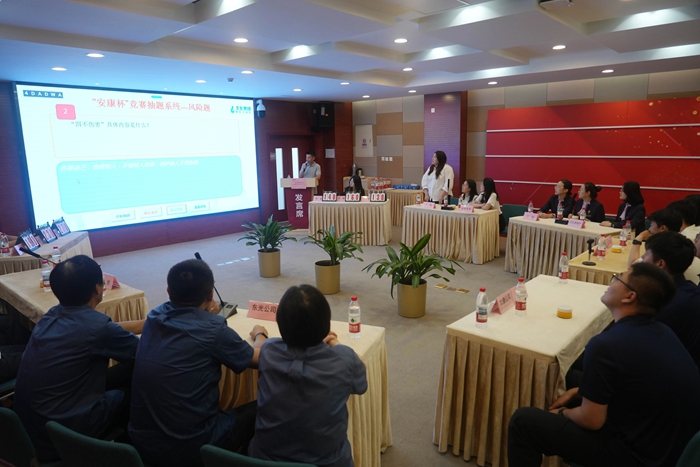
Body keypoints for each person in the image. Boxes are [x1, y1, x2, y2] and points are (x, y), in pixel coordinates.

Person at [508, 262, 700, 467]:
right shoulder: (662, 330)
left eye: (617, 279)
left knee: (523, 421)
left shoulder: (605, 345)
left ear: (629, 297)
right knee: (570, 375)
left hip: (637, 456)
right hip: (666, 443)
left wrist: (562, 413)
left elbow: (591, 420)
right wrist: (579, 391)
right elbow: (635, 383)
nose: (611, 283)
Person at [129, 259, 267, 467]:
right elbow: (258, 359)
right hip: (194, 447)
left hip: (141, 443)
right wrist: (259, 334)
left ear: (168, 291)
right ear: (211, 295)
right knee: (263, 406)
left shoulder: (153, 318)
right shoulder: (214, 331)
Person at [14, 255, 143, 461]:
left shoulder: (51, 315)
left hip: (32, 429)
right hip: (65, 433)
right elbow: (145, 352)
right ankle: (128, 454)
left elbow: (109, 330)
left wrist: (146, 323)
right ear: (98, 288)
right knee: (140, 380)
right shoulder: (99, 328)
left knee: (123, 371)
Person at [249, 285, 367, 467]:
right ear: (325, 322)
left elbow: (260, 348)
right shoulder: (344, 361)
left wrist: (259, 333)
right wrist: (333, 341)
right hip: (329, 462)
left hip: (265, 460)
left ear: (281, 323)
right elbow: (361, 369)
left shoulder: (269, 350)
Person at [642, 231, 700, 370]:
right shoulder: (688, 289)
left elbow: (644, 351)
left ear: (660, 263)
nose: (642, 258)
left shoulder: (667, 306)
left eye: (646, 254)